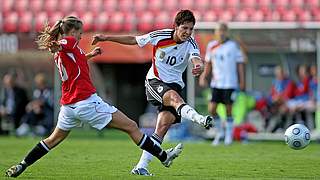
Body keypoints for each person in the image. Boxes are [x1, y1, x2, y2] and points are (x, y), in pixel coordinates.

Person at [5, 16, 182, 178]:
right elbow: (65, 43)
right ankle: (164, 157)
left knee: (52, 140)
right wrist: (58, 44)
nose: (81, 36)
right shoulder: (70, 41)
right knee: (131, 126)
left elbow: (76, 61)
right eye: (80, 33)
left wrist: (90, 55)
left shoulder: (70, 51)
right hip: (86, 102)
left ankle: (22, 165)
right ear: (73, 31)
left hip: (68, 107)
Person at [92, 9, 213, 176]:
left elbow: (195, 58)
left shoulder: (191, 43)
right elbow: (134, 40)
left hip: (175, 85)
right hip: (154, 82)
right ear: (175, 26)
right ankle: (200, 119)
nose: (188, 32)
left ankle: (141, 166)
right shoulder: (160, 35)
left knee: (163, 126)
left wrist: (198, 65)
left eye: (191, 29)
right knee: (174, 98)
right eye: (184, 28)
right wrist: (106, 38)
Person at [199, 23, 245, 146]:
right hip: (216, 83)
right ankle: (220, 132)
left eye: (224, 30)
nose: (221, 33)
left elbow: (240, 63)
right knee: (212, 109)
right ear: (216, 32)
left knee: (228, 109)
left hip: (230, 83)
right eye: (219, 30)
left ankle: (228, 135)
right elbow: (208, 63)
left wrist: (242, 81)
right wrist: (203, 77)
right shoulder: (212, 46)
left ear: (227, 32)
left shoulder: (233, 46)